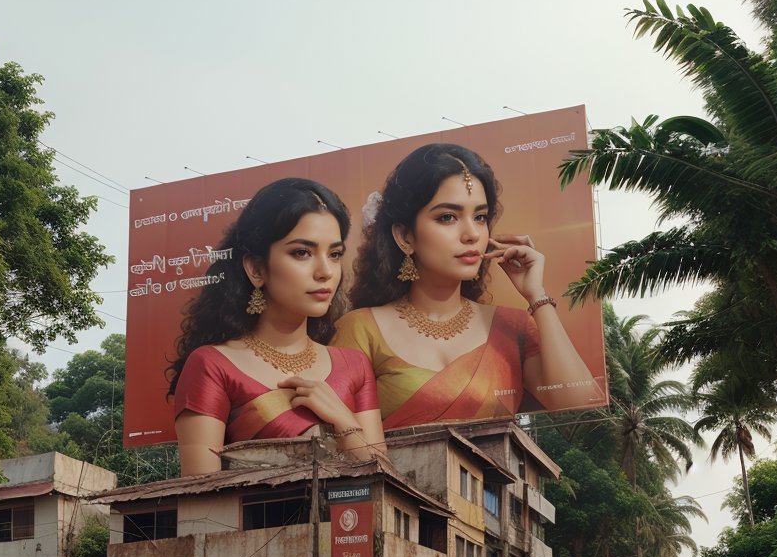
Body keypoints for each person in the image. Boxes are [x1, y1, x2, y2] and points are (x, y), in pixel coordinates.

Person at [332, 143, 602, 426]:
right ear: (405, 237)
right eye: (447, 217)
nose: (472, 234)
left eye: (480, 217)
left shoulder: (513, 328)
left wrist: (537, 295)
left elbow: (580, 408)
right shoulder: (360, 329)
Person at [167, 178, 386, 475]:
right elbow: (200, 500)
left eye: (334, 254)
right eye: (302, 253)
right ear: (257, 269)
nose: (325, 272)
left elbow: (385, 482)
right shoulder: (212, 366)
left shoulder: (354, 366)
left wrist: (344, 421)